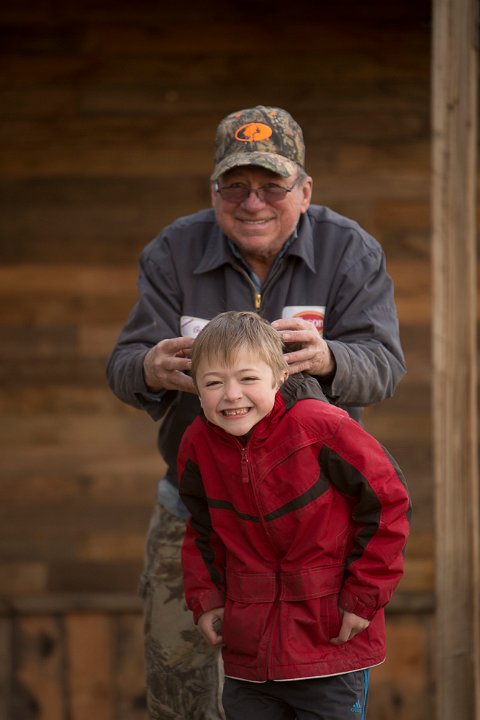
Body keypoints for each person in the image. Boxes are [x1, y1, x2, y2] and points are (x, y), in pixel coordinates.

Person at [106, 105, 406, 720]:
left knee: (315, 686)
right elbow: (124, 363)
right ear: (213, 190)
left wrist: (331, 358)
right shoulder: (173, 250)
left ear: (305, 190)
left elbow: (385, 364)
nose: (252, 203)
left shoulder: (350, 249)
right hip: (198, 512)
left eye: (272, 186)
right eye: (235, 186)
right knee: (180, 685)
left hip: (315, 522)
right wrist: (148, 367)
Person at [179, 311, 411, 720]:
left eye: (248, 378)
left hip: (330, 643)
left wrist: (364, 597)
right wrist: (207, 598)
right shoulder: (198, 443)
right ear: (197, 390)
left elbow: (388, 502)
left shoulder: (320, 425)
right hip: (249, 652)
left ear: (280, 377)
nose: (231, 394)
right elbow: (201, 529)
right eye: (213, 383)